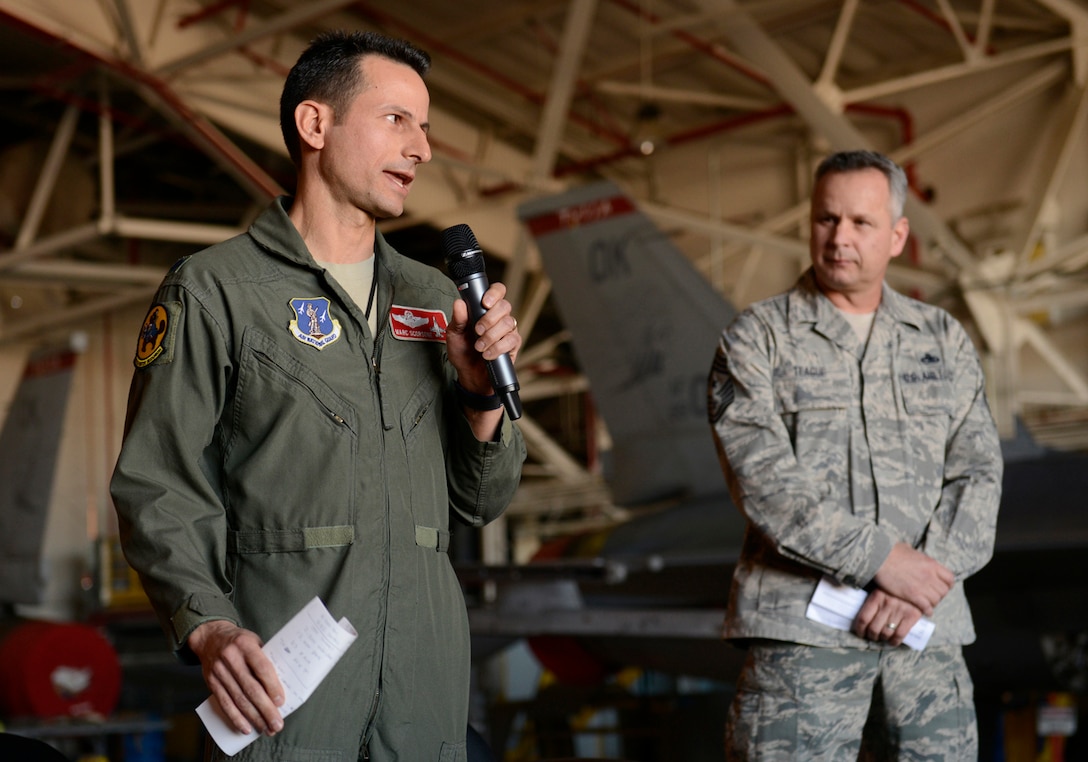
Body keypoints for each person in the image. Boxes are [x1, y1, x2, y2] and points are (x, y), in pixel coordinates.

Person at [110, 30, 526, 761]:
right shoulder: (216, 292)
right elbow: (157, 484)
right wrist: (208, 625)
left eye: (425, 127)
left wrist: (479, 397)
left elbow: (478, 503)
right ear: (315, 125)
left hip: (421, 701)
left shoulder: (435, 301)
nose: (423, 148)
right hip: (284, 702)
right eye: (398, 119)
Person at [707, 150, 1002, 760]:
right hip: (801, 643)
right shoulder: (755, 339)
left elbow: (978, 473)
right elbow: (764, 483)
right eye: (826, 219)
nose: (840, 238)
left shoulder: (942, 341)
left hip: (927, 638)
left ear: (897, 236)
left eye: (861, 223)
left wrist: (920, 581)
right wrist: (881, 561)